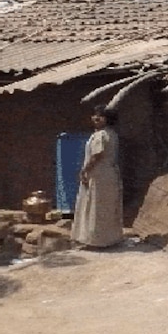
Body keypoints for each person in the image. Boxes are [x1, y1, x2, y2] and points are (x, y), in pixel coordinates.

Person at [72, 104, 123, 248]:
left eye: (100, 116)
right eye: (95, 115)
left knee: (96, 207)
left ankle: (95, 241)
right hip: (109, 174)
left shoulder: (101, 135)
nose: (96, 118)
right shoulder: (111, 134)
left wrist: (84, 170)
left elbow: (97, 155)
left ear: (107, 119)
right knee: (107, 206)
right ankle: (109, 239)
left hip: (98, 174)